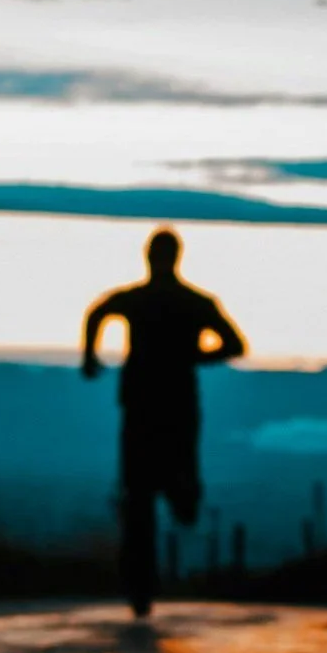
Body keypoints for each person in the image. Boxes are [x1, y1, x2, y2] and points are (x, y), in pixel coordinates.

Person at [82, 228, 247, 617]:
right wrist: (192, 356)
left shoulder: (140, 300)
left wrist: (89, 357)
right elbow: (233, 344)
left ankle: (142, 582)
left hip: (144, 405)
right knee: (150, 492)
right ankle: (142, 583)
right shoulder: (195, 302)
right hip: (173, 405)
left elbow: (97, 312)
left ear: (149, 257)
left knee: (140, 494)